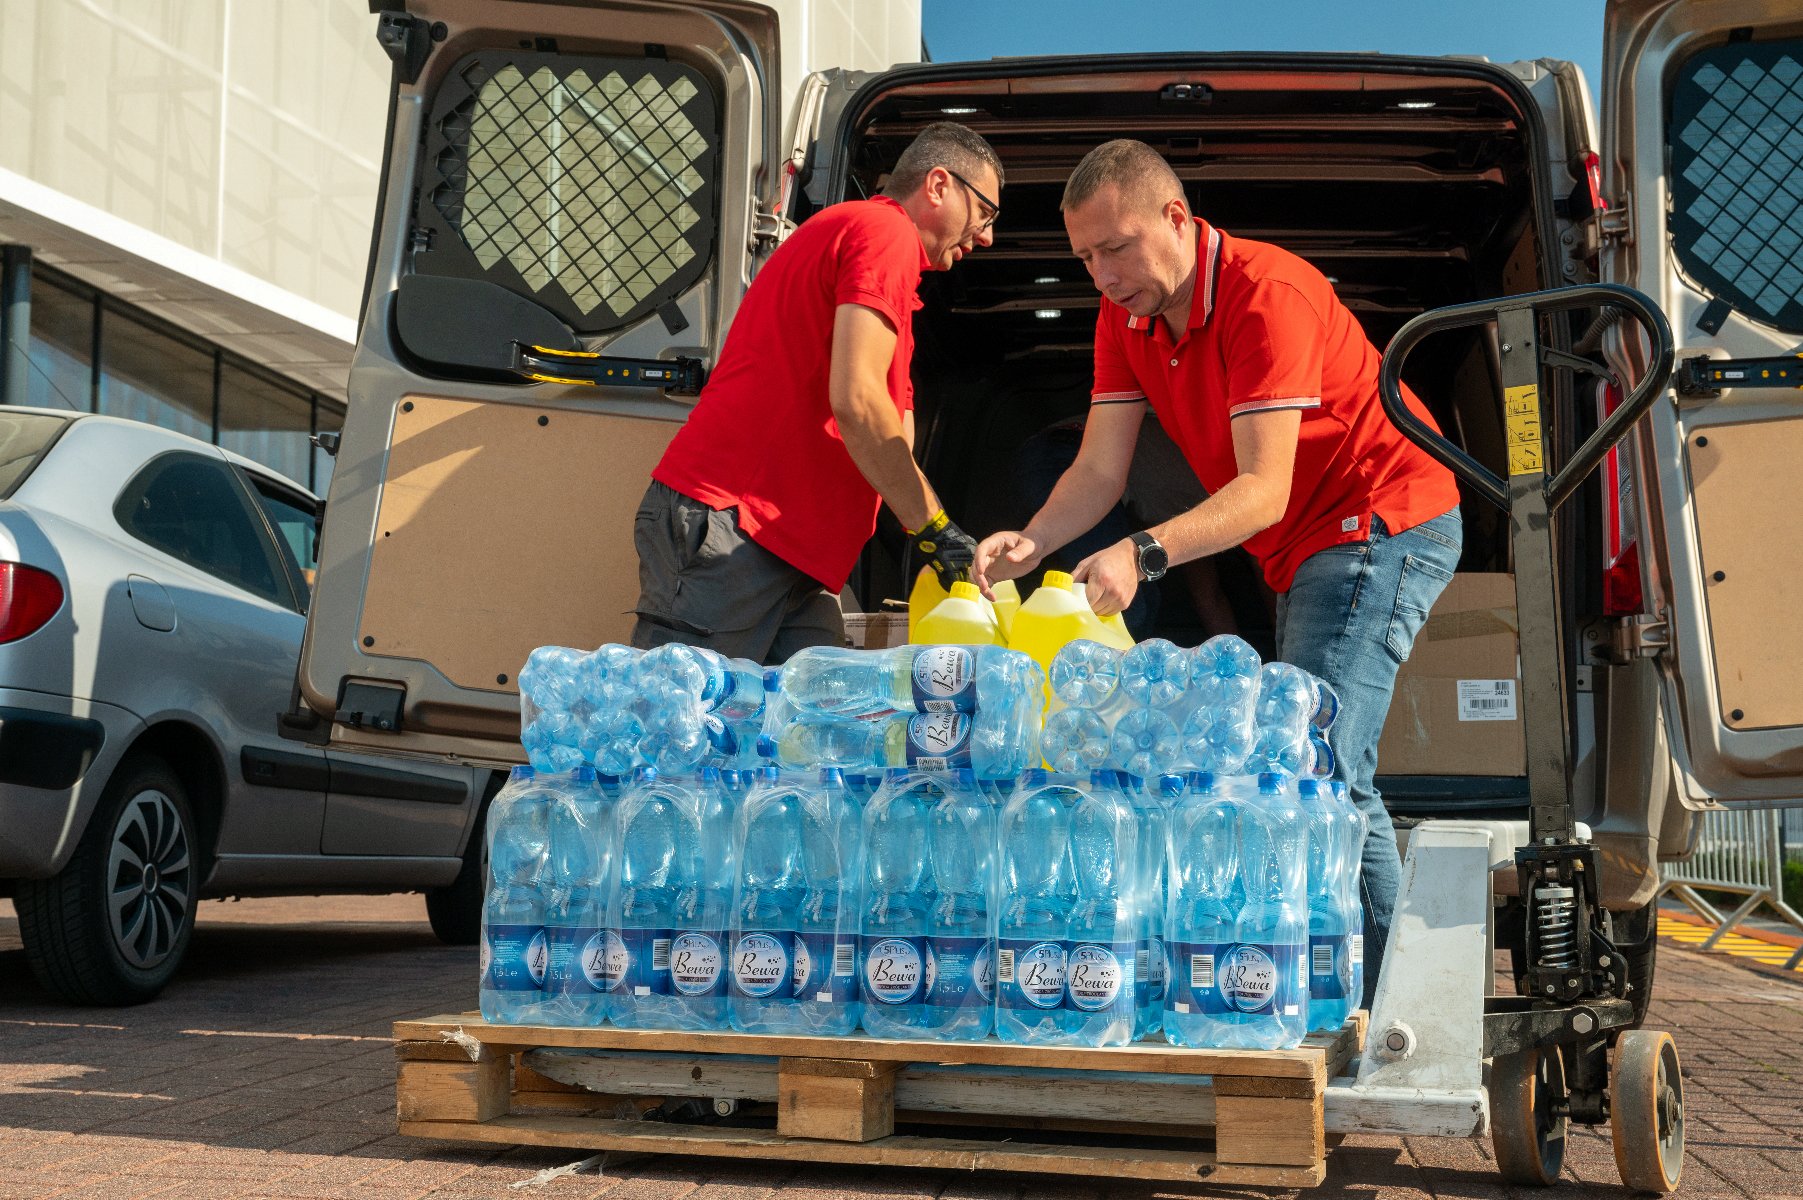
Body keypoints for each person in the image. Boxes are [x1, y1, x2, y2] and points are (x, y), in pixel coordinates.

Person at [973, 139, 1463, 1008]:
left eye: (1115, 247)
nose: (1101, 273)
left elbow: (1263, 490)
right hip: (1305, 543)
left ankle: (1397, 1015)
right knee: (1311, 764)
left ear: (1175, 219)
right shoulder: (1123, 316)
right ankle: (1352, 990)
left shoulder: (1263, 295)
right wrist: (1033, 539)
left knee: (1315, 766)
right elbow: (1098, 470)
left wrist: (1143, 551)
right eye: (1084, 256)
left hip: (1379, 519)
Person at [632, 122, 1003, 663]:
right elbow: (857, 402)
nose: (987, 236)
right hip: (738, 527)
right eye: (986, 213)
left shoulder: (874, 253)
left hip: (788, 548)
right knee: (679, 730)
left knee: (811, 732)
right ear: (939, 185)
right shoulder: (885, 233)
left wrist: (926, 532)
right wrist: (935, 526)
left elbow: (890, 422)